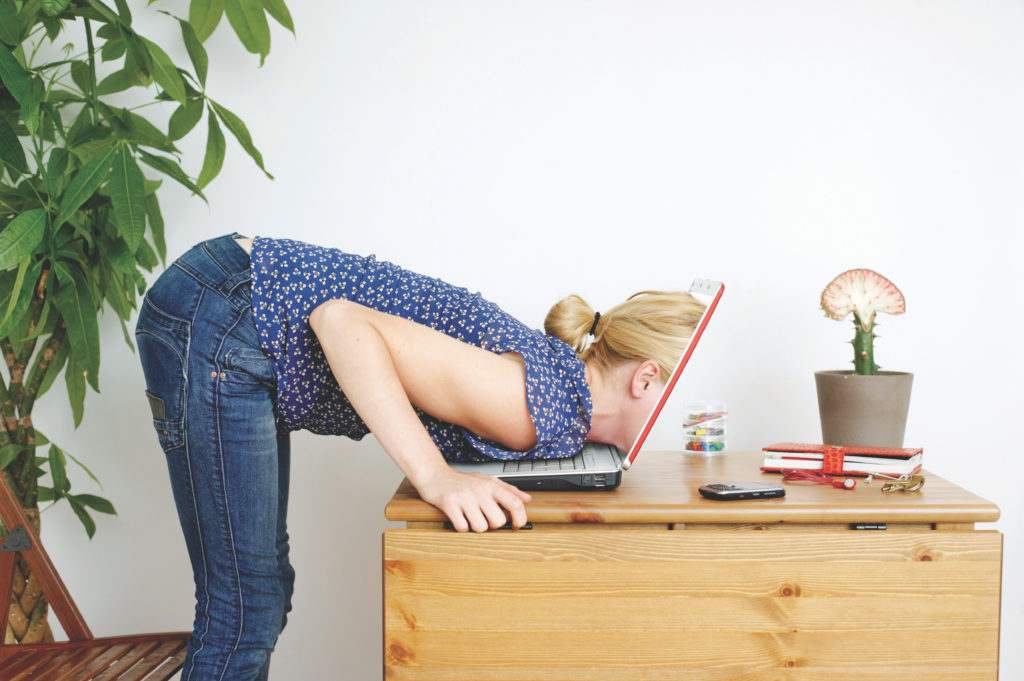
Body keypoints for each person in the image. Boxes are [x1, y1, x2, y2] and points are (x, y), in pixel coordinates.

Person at [134, 233, 706, 681]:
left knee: (261, 595)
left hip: (230, 297)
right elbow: (340, 320)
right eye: (677, 393)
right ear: (646, 378)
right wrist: (434, 476)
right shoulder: (539, 404)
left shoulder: (562, 400)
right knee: (245, 608)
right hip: (222, 312)